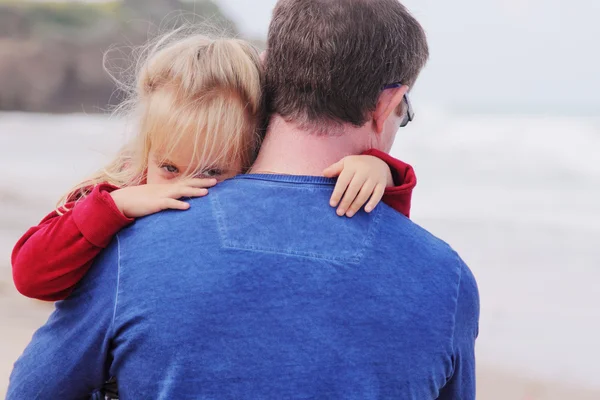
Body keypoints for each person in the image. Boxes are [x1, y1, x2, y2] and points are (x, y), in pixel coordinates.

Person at [8, 1, 479, 399]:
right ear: (385, 104)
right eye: (404, 111)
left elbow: (31, 391)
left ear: (272, 72)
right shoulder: (445, 278)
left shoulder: (132, 244)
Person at [10, 33, 416, 302]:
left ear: (256, 153)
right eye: (169, 167)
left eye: (211, 171)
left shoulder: (260, 183)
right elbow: (31, 278)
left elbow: (372, 249)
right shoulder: (120, 188)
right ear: (147, 147)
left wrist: (379, 172)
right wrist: (114, 207)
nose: (184, 185)